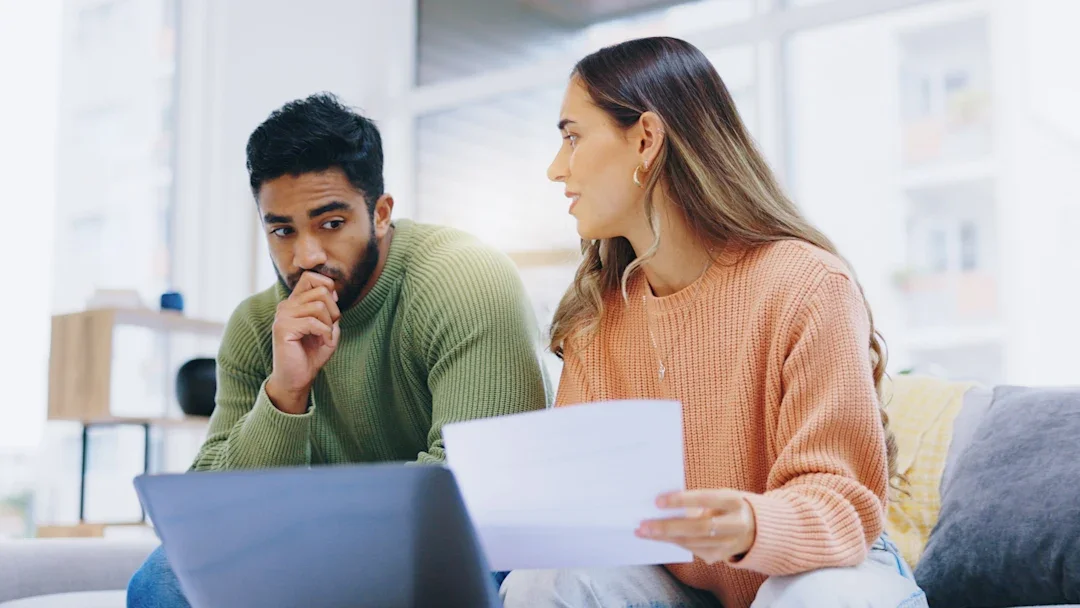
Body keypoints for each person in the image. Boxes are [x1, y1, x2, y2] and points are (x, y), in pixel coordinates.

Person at [499, 37, 928, 608]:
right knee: (542, 580)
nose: (557, 169)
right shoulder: (596, 318)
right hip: (686, 584)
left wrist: (749, 523)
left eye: (572, 137)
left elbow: (842, 503)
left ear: (645, 140)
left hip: (826, 570)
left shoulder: (805, 284)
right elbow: (593, 514)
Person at [127, 93, 549, 607]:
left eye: (331, 223)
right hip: (318, 552)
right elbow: (206, 519)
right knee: (161, 579)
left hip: (459, 553)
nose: (306, 256)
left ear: (381, 213)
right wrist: (284, 393)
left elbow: (476, 488)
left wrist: (313, 540)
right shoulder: (258, 324)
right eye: (282, 230)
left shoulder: (463, 279)